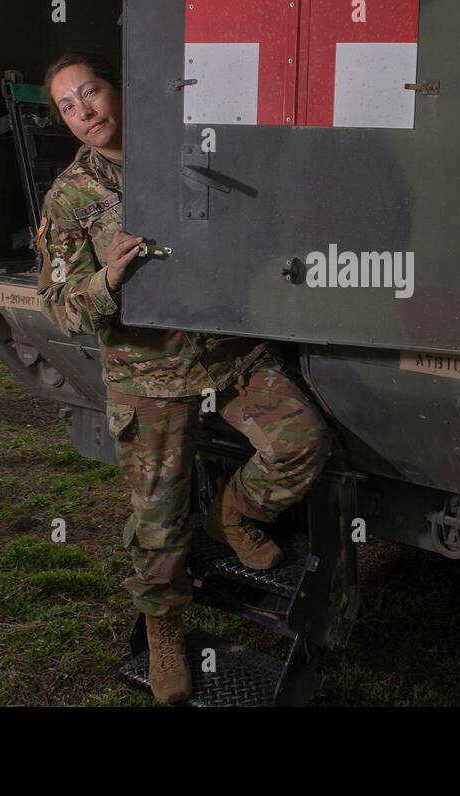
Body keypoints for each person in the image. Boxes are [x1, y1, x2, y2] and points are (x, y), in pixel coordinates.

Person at [35, 51, 333, 704]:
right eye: (68, 105)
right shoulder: (70, 198)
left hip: (229, 352)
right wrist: (107, 277)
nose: (85, 111)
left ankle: (234, 516)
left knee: (302, 442)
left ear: (116, 89)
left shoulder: (189, 149)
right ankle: (164, 629)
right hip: (148, 374)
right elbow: (60, 306)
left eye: (92, 92)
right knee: (160, 525)